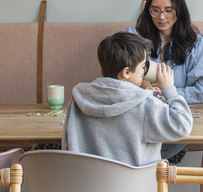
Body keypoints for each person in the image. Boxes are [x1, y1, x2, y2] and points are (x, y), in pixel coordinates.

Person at [65, 32, 193, 167]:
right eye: (143, 66)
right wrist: (169, 90)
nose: (145, 71)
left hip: (86, 186)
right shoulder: (145, 104)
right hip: (136, 186)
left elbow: (68, 143)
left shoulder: (78, 98)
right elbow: (182, 125)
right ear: (126, 72)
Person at [127, 0, 203, 105]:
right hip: (140, 110)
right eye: (155, 10)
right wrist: (141, 84)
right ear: (149, 10)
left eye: (168, 11)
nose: (161, 17)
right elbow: (117, 80)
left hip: (179, 112)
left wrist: (166, 93)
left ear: (179, 11)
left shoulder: (197, 44)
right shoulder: (133, 37)